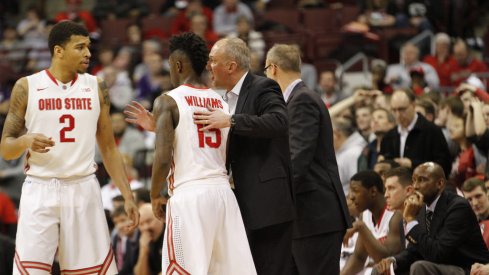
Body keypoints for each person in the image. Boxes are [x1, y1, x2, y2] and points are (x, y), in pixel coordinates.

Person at [0, 21, 139, 274]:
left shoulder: (97, 87)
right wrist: (25, 141)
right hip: (40, 189)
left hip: (82, 187)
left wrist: (128, 195)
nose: (88, 53)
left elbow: (108, 148)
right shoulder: (27, 86)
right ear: (58, 51)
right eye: (80, 47)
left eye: (88, 47)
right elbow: (6, 148)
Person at [127, 33, 256, 274]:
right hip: (223, 194)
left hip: (190, 196)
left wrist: (155, 194)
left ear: (177, 65)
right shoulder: (220, 103)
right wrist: (160, 128)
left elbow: (163, 156)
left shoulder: (168, 100)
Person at [193, 37, 295, 274]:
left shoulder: (263, 87)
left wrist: (231, 121)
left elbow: (280, 121)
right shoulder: (222, 99)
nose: (208, 66)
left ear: (230, 66)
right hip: (243, 202)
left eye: (213, 61)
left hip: (268, 204)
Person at [264, 44, 351, 274]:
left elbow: (297, 160)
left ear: (272, 69)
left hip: (315, 218)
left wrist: (270, 198)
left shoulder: (301, 100)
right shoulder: (298, 99)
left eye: (265, 70)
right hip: (305, 219)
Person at [375, 162, 489, 275]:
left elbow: (438, 254)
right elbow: (415, 251)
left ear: (439, 183)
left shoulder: (457, 207)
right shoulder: (421, 210)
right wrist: (393, 261)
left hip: (470, 270)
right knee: (379, 269)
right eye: (414, 180)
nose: (416, 186)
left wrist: (410, 221)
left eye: (422, 180)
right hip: (442, 267)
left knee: (420, 267)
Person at [380, 89, 452, 177]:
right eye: (394, 110)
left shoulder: (432, 131)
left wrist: (413, 164)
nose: (398, 114)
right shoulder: (389, 136)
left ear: (413, 105)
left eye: (402, 109)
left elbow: (444, 165)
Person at [341, 170, 401, 275]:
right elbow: (359, 257)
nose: (351, 197)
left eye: (355, 190)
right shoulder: (365, 215)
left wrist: (361, 227)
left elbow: (386, 262)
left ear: (373, 191)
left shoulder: (395, 215)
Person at [134, 203, 164, 275]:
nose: (146, 227)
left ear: (160, 217)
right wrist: (144, 250)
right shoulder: (142, 239)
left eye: (149, 221)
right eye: (141, 224)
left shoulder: (171, 234)